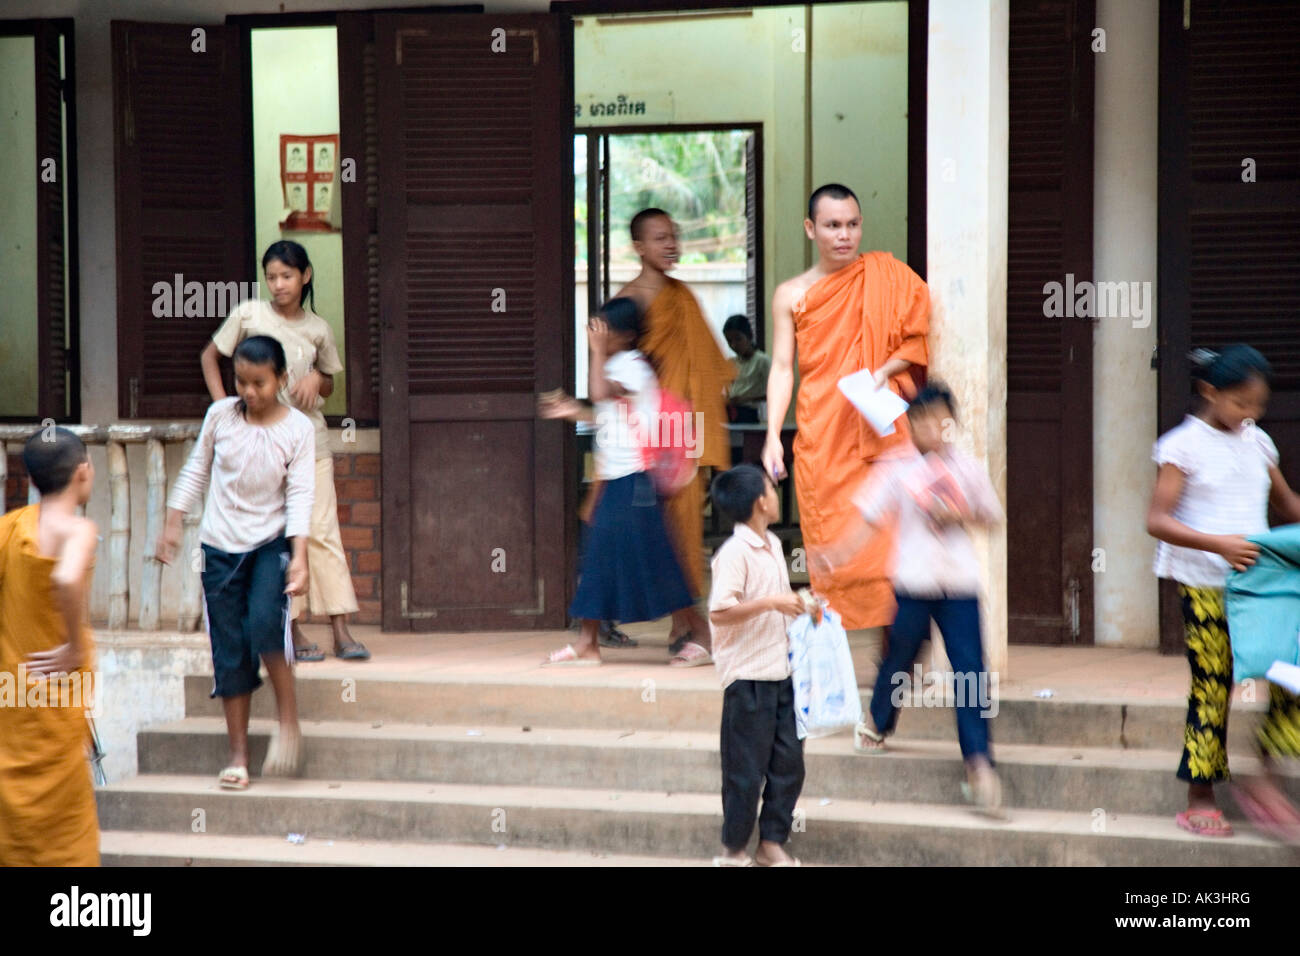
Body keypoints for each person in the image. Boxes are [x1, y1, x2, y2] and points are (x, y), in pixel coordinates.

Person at [815, 384, 1006, 817]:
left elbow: (993, 516)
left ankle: (979, 763)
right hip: (913, 582)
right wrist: (836, 555)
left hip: (959, 586)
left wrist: (960, 514)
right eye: (918, 420)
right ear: (910, 424)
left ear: (949, 423)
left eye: (936, 419)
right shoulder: (895, 466)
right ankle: (879, 723)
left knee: (970, 671)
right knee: (899, 654)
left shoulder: (968, 467)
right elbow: (868, 516)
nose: (927, 428)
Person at [764, 184, 930, 641]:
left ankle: (895, 655)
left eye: (852, 224)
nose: (844, 235)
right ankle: (830, 654)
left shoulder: (885, 275)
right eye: (833, 226)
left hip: (879, 429)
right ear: (810, 228)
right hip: (823, 433)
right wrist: (772, 435)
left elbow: (916, 338)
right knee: (830, 541)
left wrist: (887, 369)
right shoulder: (791, 295)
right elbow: (782, 367)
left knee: (890, 544)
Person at [1146, 345, 1300, 837]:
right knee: (1214, 686)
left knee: (1292, 675)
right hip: (1206, 586)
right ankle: (1200, 795)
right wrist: (1218, 544)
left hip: (1261, 588)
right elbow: (1157, 520)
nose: (1249, 415)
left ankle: (1264, 775)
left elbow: (1286, 502)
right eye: (1240, 404)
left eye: (1258, 406)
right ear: (1209, 392)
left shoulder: (1257, 442)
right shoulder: (1182, 446)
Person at [201, 240, 368, 662]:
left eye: (287, 276)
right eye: (271, 276)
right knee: (276, 535)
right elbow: (209, 357)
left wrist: (316, 379)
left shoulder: (318, 329)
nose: (278, 285)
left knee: (322, 530)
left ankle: (341, 629)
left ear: (305, 276)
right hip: (259, 444)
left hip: (310, 441)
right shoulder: (248, 315)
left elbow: (328, 382)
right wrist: (225, 409)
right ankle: (291, 628)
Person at [160, 335, 314, 789]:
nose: (249, 392)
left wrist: (300, 557)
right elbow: (196, 471)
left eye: (260, 383)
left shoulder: (298, 430)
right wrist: (172, 522)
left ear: (281, 379)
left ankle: (288, 721)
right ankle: (239, 756)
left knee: (266, 623)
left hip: (271, 544)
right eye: (241, 382)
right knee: (229, 650)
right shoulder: (220, 416)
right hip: (218, 549)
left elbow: (301, 495)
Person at [539, 298, 710, 666]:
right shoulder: (616, 365)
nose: (597, 336)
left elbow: (601, 393)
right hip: (618, 480)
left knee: (656, 562)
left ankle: (701, 633)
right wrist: (574, 411)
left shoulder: (632, 367)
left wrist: (596, 353)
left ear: (627, 336)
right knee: (599, 559)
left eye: (604, 331)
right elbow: (606, 413)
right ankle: (588, 642)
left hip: (636, 481)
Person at [616, 208, 734, 664]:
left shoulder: (682, 296)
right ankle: (690, 623)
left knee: (686, 530)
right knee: (660, 532)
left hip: (684, 427)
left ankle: (684, 622)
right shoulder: (630, 302)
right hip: (652, 431)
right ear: (639, 247)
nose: (672, 245)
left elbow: (707, 363)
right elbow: (618, 371)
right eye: (661, 238)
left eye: (676, 237)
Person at [0, 429, 101, 866]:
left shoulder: (10, 527)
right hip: (57, 691)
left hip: (14, 690)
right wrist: (74, 648)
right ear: (82, 473)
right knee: (66, 833)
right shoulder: (79, 529)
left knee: (15, 815)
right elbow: (64, 578)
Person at [709, 463, 807, 867]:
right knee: (744, 772)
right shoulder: (733, 554)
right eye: (771, 487)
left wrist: (801, 606)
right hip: (747, 679)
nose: (776, 491)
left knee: (789, 765)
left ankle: (771, 843)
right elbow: (720, 612)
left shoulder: (772, 546)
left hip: (782, 674)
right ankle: (733, 851)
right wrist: (773, 603)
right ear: (759, 502)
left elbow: (778, 604)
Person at [723, 313, 771, 424]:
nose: (734, 345)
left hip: (753, 414)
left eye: (738, 339)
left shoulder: (762, 361)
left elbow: (776, 393)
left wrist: (745, 399)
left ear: (749, 336)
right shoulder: (731, 363)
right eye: (729, 341)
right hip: (732, 414)